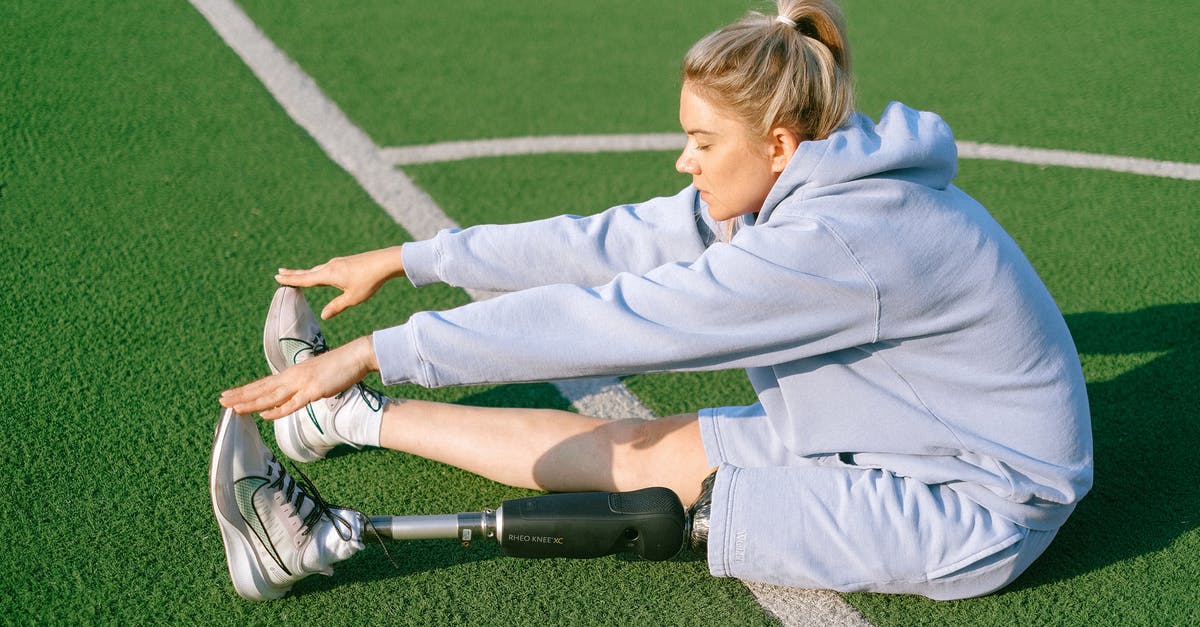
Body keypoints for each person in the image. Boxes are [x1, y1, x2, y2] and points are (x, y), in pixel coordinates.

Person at [213, 0, 1092, 602]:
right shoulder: (816, 170)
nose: (685, 161)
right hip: (896, 427)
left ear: (777, 143)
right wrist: (412, 258)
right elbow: (609, 242)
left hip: (979, 501)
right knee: (635, 448)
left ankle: (328, 536)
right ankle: (349, 418)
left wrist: (376, 344)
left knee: (681, 503)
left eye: (702, 141)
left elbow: (610, 321)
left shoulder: (833, 244)